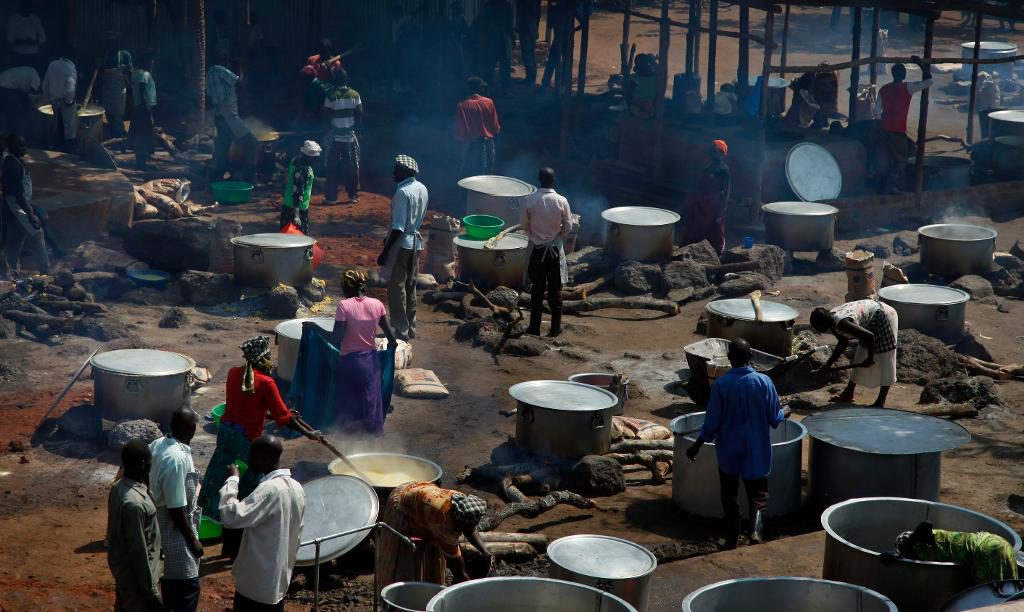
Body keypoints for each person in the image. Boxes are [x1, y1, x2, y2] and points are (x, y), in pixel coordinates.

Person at [196, 336, 320, 561]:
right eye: (268, 357)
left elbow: (245, 406)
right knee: (247, 492)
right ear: (263, 358)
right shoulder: (266, 383)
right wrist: (309, 433)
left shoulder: (234, 374)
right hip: (245, 442)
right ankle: (236, 550)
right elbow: (284, 419)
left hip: (226, 437)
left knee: (226, 480)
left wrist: (277, 413)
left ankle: (227, 545)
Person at [685, 339, 786, 549]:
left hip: (729, 449)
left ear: (730, 358)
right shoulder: (764, 382)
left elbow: (712, 421)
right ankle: (756, 533)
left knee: (729, 494)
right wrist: (786, 411)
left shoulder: (721, 385)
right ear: (751, 357)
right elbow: (775, 419)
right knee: (758, 495)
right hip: (756, 449)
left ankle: (732, 538)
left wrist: (697, 444)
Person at [219, 435, 306, 612]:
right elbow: (298, 534)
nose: (249, 460)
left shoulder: (269, 489)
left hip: (256, 584)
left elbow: (230, 516)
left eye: (252, 455)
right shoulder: (297, 487)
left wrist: (233, 480)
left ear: (263, 458)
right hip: (278, 580)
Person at [309, 269, 397, 434]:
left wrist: (314, 328)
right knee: (370, 403)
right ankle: (372, 443)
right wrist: (388, 356)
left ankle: (350, 442)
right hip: (371, 363)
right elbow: (392, 339)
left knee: (349, 405)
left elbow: (336, 338)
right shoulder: (377, 305)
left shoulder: (344, 306)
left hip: (349, 363)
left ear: (347, 288)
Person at [377, 481, 494, 587]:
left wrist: (485, 551)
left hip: (422, 498)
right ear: (459, 521)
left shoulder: (461, 502)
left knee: (433, 551)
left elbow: (470, 528)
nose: (471, 527)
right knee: (402, 555)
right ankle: (396, 594)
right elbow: (454, 559)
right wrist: (464, 580)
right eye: (466, 525)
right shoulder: (442, 521)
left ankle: (427, 583)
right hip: (402, 501)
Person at [148, 408, 203, 612]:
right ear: (192, 429)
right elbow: (176, 508)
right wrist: (192, 540)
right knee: (187, 586)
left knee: (170, 585)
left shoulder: (158, 444)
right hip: (174, 530)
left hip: (159, 523)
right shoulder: (176, 459)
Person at [106, 439, 163, 611]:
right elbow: (139, 552)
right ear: (143, 464)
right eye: (150, 463)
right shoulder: (135, 504)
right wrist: (153, 595)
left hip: (124, 574)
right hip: (138, 584)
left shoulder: (118, 488)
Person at [810, 300, 899, 407]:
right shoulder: (830, 319)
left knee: (886, 357)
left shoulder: (842, 322)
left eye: (817, 328)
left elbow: (870, 337)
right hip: (871, 319)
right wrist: (827, 365)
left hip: (885, 315)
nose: (818, 331)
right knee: (860, 355)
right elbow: (843, 342)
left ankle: (880, 401)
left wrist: (870, 359)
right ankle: (848, 393)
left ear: (824, 324)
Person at [378, 155, 428, 341]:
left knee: (396, 287)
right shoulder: (422, 188)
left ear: (405, 172)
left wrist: (385, 252)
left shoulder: (402, 192)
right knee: (410, 285)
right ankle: (411, 327)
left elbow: (398, 227)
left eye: (396, 169)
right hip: (416, 244)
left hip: (401, 245)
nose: (393, 173)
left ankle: (401, 329)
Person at [881, 521, 1019, 585]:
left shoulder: (917, 542)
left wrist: (900, 551)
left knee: (989, 599)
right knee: (1008, 591)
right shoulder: (940, 537)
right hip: (998, 542)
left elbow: (924, 525)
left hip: (986, 552)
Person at [521, 167, 572, 337]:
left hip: (537, 250)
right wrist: (556, 237)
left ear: (539, 180)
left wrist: (535, 237)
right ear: (554, 180)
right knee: (555, 289)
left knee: (537, 288)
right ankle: (555, 328)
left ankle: (534, 328)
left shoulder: (530, 200)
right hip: (555, 251)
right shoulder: (561, 200)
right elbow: (568, 226)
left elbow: (524, 225)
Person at [874, 56, 933, 194]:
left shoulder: (884, 89)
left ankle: (882, 187)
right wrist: (920, 65)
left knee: (885, 160)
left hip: (884, 129)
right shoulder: (908, 88)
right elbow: (930, 81)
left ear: (893, 74)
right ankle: (893, 187)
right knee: (900, 161)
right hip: (897, 132)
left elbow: (877, 112)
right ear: (904, 75)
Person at [1, 134, 49, 279]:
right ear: (11, 148)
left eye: (24, 145)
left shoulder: (16, 161)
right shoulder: (12, 165)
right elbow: (18, 194)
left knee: (15, 239)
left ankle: (10, 273)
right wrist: (31, 214)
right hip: (16, 207)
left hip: (16, 206)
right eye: (20, 146)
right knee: (37, 234)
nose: (24, 148)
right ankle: (45, 272)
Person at [207, 54, 257, 184]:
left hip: (220, 117)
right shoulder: (219, 70)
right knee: (251, 143)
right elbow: (238, 81)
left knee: (223, 148)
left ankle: (217, 178)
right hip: (229, 116)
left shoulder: (210, 74)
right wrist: (241, 68)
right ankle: (248, 178)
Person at [680, 140, 730, 254]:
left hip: (714, 205)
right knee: (695, 228)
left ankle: (716, 254)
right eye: (712, 151)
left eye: (715, 151)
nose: (712, 153)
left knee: (714, 231)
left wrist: (720, 212)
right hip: (701, 203)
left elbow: (726, 192)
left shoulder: (724, 170)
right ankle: (690, 251)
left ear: (722, 154)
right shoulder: (709, 167)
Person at [323, 68, 362, 205]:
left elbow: (327, 116)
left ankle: (331, 198)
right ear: (347, 80)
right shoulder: (355, 95)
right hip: (350, 138)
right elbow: (358, 116)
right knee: (351, 166)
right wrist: (358, 132)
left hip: (335, 138)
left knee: (332, 167)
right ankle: (353, 196)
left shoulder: (331, 95)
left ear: (335, 81)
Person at [455, 76, 501, 178]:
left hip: (472, 145)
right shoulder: (489, 102)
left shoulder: (462, 106)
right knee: (488, 174)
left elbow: (461, 132)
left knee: (468, 175)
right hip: (488, 143)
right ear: (479, 88)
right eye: (482, 87)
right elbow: (495, 127)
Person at [41, 47, 78, 153]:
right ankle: (69, 151)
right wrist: (69, 102)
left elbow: (45, 84)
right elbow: (70, 88)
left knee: (57, 124)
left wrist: (48, 98)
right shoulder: (70, 69)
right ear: (73, 58)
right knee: (69, 127)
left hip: (54, 100)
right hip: (65, 101)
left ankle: (57, 147)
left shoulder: (52, 64)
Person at [281, 141, 320, 235]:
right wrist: (296, 215)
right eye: (315, 157)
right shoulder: (304, 171)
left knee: (285, 236)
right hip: (298, 208)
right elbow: (298, 192)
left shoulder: (295, 160)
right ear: (310, 157)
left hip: (287, 204)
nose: (316, 159)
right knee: (300, 239)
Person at [129, 52, 157, 170]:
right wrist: (146, 108)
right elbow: (142, 90)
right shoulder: (143, 74)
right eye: (150, 61)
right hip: (142, 108)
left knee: (140, 135)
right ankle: (141, 164)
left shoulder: (137, 73)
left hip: (139, 107)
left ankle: (141, 163)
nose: (152, 63)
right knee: (143, 135)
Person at [541, 0, 575, 90]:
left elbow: (549, 26)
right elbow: (582, 23)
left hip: (558, 40)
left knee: (552, 62)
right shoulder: (571, 10)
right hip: (567, 40)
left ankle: (546, 83)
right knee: (565, 63)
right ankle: (562, 84)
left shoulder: (554, 10)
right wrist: (572, 30)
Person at [481, 0, 514, 96]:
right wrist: (511, 38)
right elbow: (509, 23)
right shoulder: (505, 5)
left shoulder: (490, 4)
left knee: (491, 65)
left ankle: (487, 89)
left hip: (494, 37)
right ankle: (505, 90)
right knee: (503, 65)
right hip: (501, 37)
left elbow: (485, 22)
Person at [6, 1, 47, 76]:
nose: (26, 8)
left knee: (33, 76)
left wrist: (33, 43)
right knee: (19, 76)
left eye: (28, 5)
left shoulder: (35, 18)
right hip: (18, 54)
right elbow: (9, 39)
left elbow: (43, 37)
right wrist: (23, 42)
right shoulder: (14, 19)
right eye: (24, 5)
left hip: (33, 53)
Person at [100, 49, 132, 139]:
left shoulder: (125, 54)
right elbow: (99, 70)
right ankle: (112, 133)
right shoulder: (105, 53)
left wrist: (125, 69)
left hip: (118, 88)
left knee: (118, 112)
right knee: (108, 111)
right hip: (107, 87)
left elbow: (130, 70)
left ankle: (119, 135)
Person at [516, 0, 541, 85]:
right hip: (532, 27)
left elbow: (521, 13)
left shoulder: (524, 3)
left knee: (527, 54)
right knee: (530, 54)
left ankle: (530, 78)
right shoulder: (535, 3)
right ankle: (531, 78)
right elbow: (538, 15)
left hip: (526, 28)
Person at [976, 72, 1001, 140]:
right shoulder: (989, 85)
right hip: (987, 109)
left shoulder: (990, 86)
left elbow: (993, 100)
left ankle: (989, 140)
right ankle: (987, 139)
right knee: (987, 128)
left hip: (990, 109)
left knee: (990, 127)